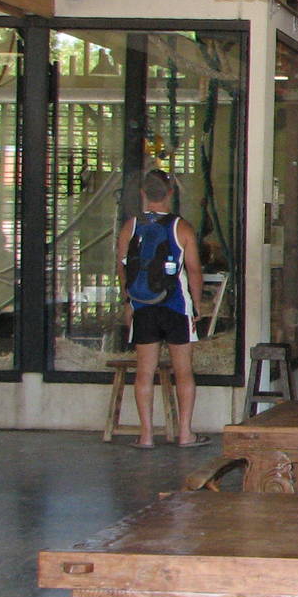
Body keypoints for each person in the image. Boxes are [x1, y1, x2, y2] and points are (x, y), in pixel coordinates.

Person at [116, 168, 204, 448]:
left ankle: (145, 435)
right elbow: (194, 271)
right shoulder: (182, 228)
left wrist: (128, 300)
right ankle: (186, 433)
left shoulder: (130, 227)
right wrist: (197, 304)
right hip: (177, 305)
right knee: (183, 372)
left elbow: (122, 267)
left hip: (143, 306)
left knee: (144, 372)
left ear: (143, 194)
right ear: (170, 193)